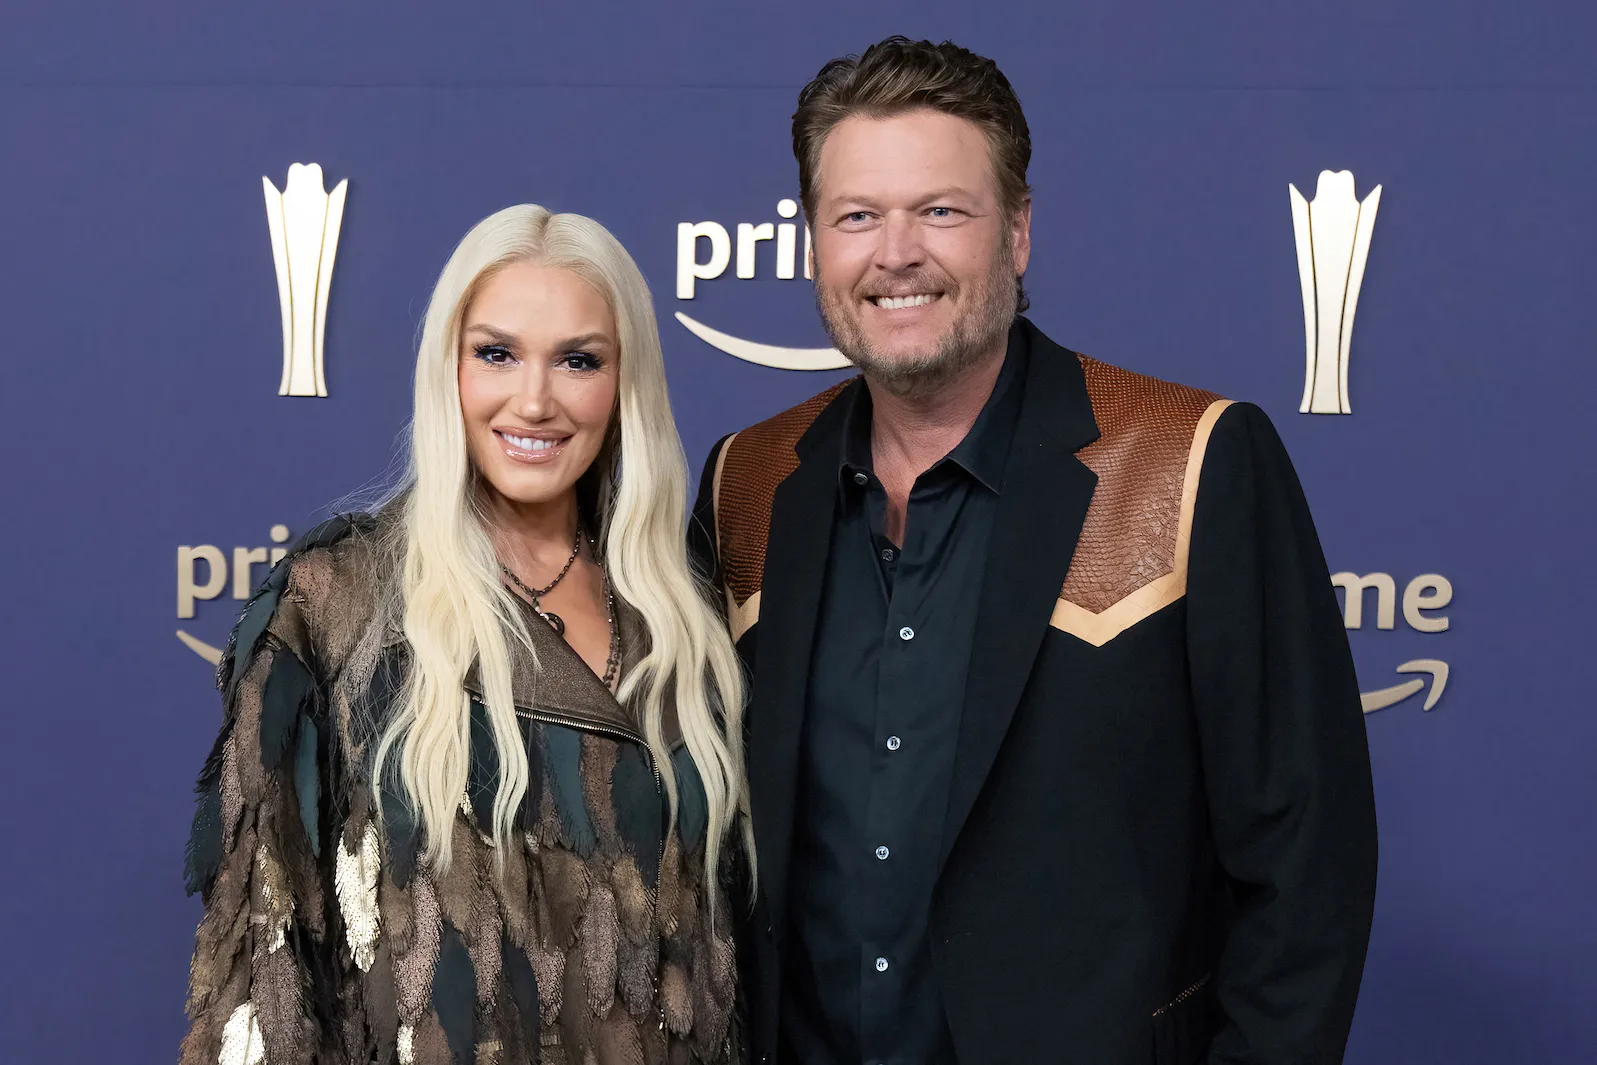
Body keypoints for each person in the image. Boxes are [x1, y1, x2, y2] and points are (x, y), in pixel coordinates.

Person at [689, 37, 1379, 1065]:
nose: (895, 252)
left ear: (1015, 232)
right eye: (856, 217)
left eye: (940, 210)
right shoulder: (747, 481)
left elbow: (1305, 867)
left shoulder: (1189, 461)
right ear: (810, 243)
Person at [181, 205, 749, 1065]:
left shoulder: (681, 615)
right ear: (447, 369)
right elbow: (265, 975)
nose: (534, 399)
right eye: (496, 353)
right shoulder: (335, 605)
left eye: (578, 360)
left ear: (624, 383)